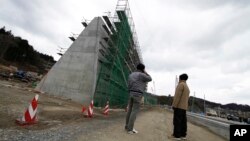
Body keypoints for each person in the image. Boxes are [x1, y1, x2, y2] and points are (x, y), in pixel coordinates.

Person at [125, 63, 152, 134]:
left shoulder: (131, 74)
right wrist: (145, 72)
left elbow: (128, 84)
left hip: (131, 93)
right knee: (134, 111)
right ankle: (130, 129)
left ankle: (127, 126)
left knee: (129, 110)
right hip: (138, 94)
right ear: (142, 69)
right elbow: (150, 79)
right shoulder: (142, 75)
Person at [172, 73, 190, 140]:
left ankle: (177, 135)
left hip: (179, 106)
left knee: (177, 121)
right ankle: (183, 135)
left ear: (180, 78)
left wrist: (174, 105)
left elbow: (177, 96)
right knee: (183, 122)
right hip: (184, 107)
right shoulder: (187, 86)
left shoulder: (180, 85)